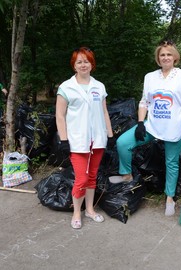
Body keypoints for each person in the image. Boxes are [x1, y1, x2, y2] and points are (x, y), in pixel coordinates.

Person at [115, 40, 181, 216]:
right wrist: (141, 122)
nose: (165, 57)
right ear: (158, 58)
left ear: (175, 57)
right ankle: (126, 175)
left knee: (171, 163)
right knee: (122, 143)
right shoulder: (150, 77)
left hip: (174, 125)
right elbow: (144, 101)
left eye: (169, 54)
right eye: (162, 55)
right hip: (152, 124)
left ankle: (170, 198)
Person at [56, 47, 115, 229]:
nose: (83, 64)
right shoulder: (66, 87)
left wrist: (110, 135)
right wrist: (64, 140)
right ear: (74, 65)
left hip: (97, 139)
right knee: (81, 178)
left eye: (86, 61)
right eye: (79, 61)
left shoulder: (99, 86)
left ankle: (90, 210)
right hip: (77, 140)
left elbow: (104, 111)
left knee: (92, 177)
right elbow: (60, 115)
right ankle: (76, 213)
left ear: (92, 64)